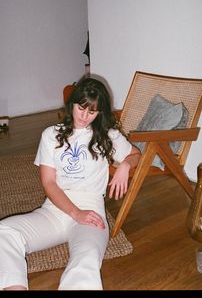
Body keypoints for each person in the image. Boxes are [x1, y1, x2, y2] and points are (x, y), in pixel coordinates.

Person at [0, 75, 140, 290]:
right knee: (5, 231)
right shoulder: (51, 135)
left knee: (86, 262)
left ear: (99, 112)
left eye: (92, 111)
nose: (84, 116)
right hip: (55, 209)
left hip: (91, 211)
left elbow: (135, 154)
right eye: (80, 108)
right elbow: (49, 184)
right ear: (71, 104)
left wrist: (125, 165)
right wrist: (75, 213)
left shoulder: (107, 135)